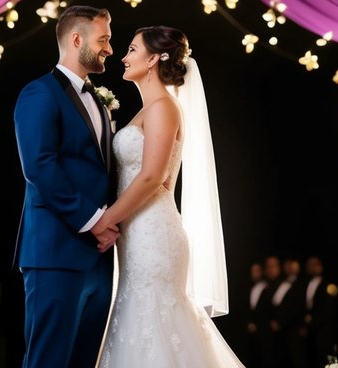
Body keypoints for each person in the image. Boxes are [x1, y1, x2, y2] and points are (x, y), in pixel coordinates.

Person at [96, 25, 244, 367]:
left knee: (154, 319)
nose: (123, 55)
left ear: (152, 59)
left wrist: (107, 220)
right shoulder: (148, 110)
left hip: (153, 234)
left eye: (132, 49)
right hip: (136, 233)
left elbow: (153, 177)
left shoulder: (164, 107)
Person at [13, 5, 119, 368]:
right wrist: (95, 221)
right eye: (103, 39)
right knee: (48, 360)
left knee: (83, 361)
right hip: (55, 250)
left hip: (100, 258)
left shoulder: (101, 104)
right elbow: (40, 167)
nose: (109, 49)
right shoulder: (39, 93)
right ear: (77, 40)